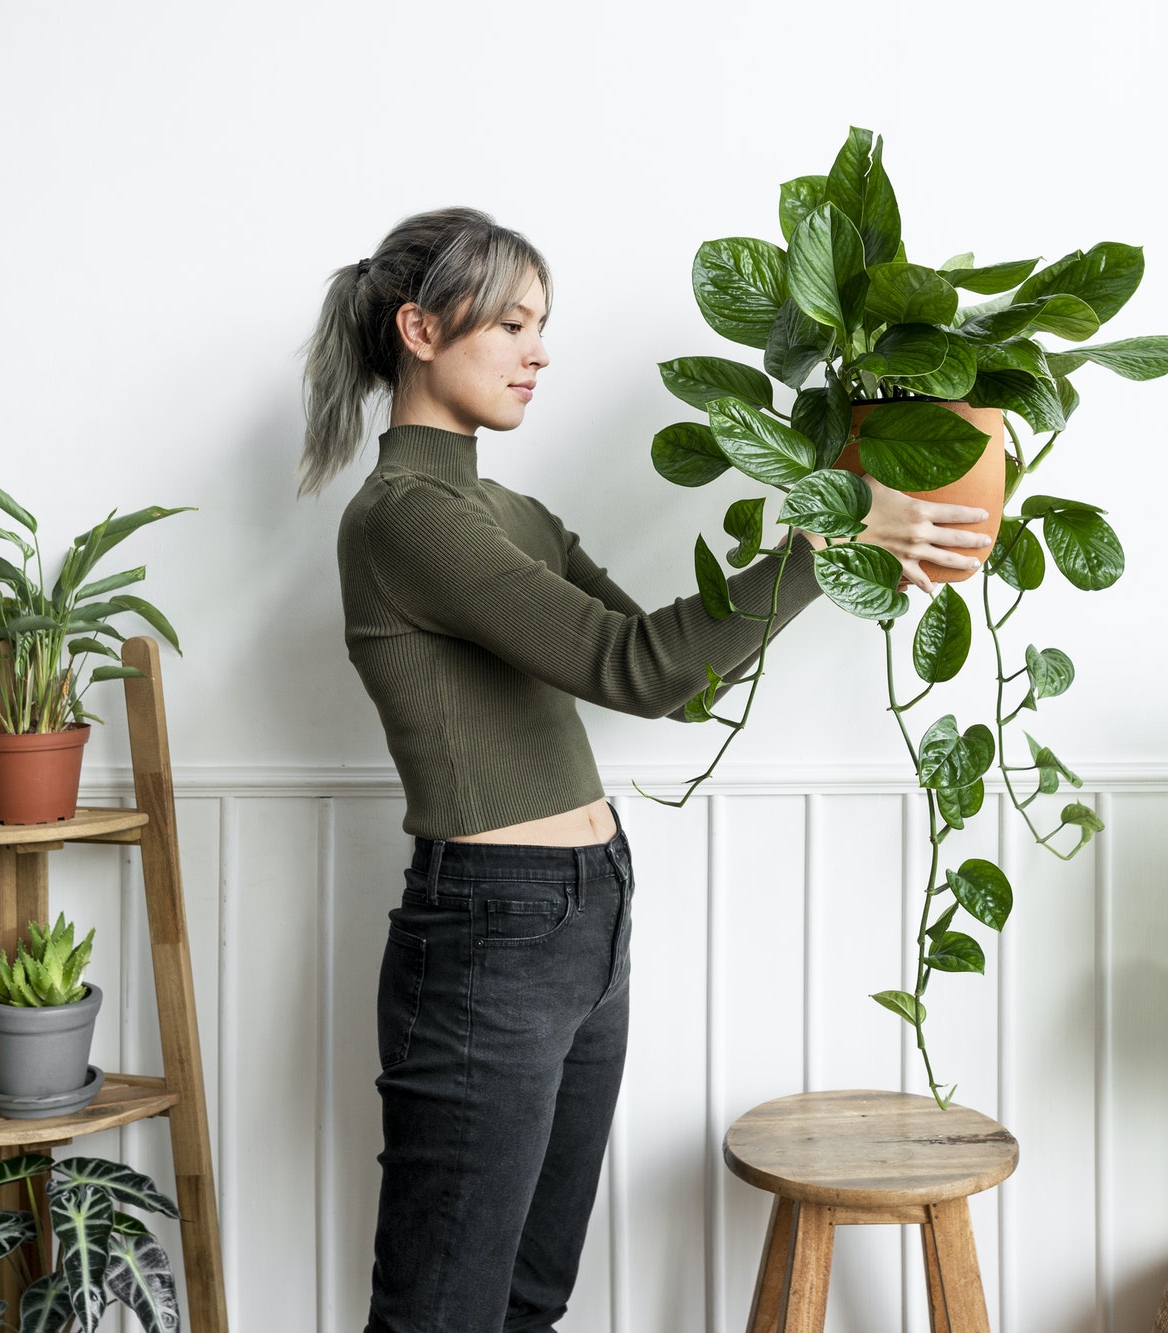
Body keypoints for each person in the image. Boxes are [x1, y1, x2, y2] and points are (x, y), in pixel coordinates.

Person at [297, 205, 993, 1333]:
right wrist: (823, 538)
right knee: (441, 1312)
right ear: (418, 330)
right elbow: (632, 668)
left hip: (588, 916)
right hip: (488, 937)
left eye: (542, 324)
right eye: (511, 323)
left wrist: (839, 539)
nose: (539, 350)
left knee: (529, 1297)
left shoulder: (510, 512)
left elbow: (686, 679)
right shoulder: (404, 518)